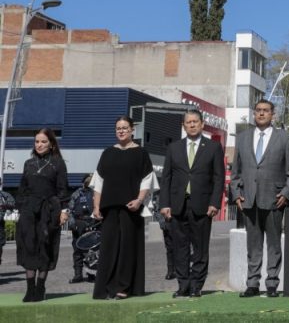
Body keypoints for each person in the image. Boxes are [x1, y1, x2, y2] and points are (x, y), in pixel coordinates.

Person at [232, 98, 289, 298]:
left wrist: (286, 193)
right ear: (254, 113)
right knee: (253, 245)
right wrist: (236, 194)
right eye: (258, 110)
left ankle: (272, 284)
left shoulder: (285, 138)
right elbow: (235, 171)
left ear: (273, 114)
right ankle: (252, 284)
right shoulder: (243, 138)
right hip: (248, 199)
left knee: (274, 244)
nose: (261, 113)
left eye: (266, 110)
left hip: (274, 199)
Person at [159, 109, 225, 298]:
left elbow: (218, 178)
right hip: (178, 205)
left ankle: (196, 285)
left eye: (196, 121)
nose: (192, 125)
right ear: (184, 125)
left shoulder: (213, 147)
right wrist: (165, 204)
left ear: (202, 124)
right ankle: (183, 284)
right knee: (179, 248)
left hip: (203, 206)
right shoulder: (174, 148)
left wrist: (215, 203)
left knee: (200, 249)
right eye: (189, 122)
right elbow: (166, 178)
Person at [92, 115, 155, 300]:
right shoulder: (107, 153)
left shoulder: (141, 153)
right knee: (108, 249)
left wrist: (139, 200)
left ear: (132, 130)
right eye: (118, 128)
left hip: (131, 209)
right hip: (109, 208)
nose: (121, 131)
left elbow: (147, 180)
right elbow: (99, 181)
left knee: (128, 248)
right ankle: (106, 287)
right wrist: (96, 206)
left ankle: (124, 286)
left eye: (125, 127)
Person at [14, 128, 69, 302]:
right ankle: (30, 289)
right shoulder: (28, 163)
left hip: (49, 210)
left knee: (45, 248)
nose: (39, 145)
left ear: (51, 144)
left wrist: (63, 211)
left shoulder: (58, 163)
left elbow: (63, 190)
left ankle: (40, 287)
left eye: (43, 141)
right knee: (28, 247)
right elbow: (22, 189)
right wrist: (20, 208)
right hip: (29, 211)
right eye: (37, 141)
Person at [68, 173, 96, 283]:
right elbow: (69, 210)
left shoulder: (96, 194)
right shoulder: (76, 194)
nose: (89, 183)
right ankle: (78, 274)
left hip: (92, 224)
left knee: (91, 251)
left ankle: (91, 274)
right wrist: (72, 224)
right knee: (77, 250)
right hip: (78, 224)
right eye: (87, 181)